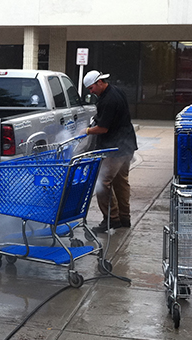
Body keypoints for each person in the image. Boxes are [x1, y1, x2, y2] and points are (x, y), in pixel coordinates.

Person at [81, 70, 138, 233]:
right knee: (121, 182)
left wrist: (86, 131)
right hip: (127, 146)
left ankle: (111, 219)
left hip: (115, 149)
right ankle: (124, 218)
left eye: (91, 88)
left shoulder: (108, 100)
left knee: (102, 182)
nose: (91, 92)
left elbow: (103, 128)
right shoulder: (116, 91)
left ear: (99, 82)